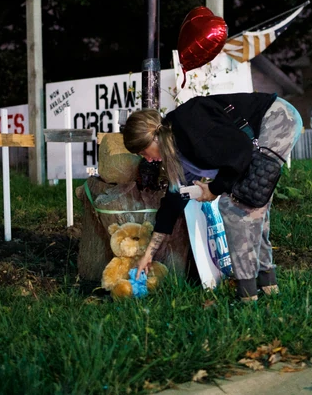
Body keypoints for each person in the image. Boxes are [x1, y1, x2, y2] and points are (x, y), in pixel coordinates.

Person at [122, 92, 302, 301]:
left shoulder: (189, 127)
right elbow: (172, 203)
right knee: (252, 202)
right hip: (260, 132)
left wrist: (213, 189)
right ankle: (268, 285)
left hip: (277, 118)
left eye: (144, 152)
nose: (149, 160)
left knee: (236, 206)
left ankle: (247, 295)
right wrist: (148, 254)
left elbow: (239, 153)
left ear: (154, 138)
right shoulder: (175, 153)